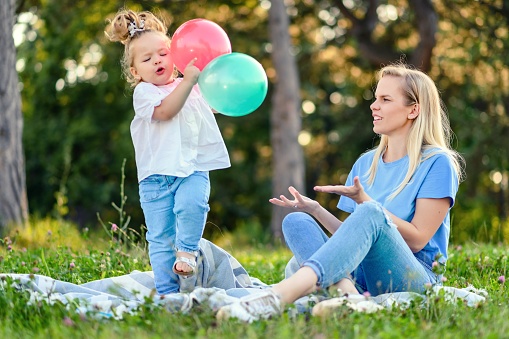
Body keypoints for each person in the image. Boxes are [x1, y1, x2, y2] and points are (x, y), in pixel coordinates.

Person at [216, 64, 464, 322]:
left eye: (385, 99)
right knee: (297, 221)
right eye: (376, 98)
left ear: (413, 109)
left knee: (370, 211)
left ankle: (278, 296)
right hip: (360, 277)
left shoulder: (438, 162)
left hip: (412, 277)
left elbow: (417, 240)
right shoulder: (367, 163)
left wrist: (367, 203)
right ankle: (348, 298)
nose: (373, 106)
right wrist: (315, 210)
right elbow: (352, 238)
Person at [105, 9, 230, 295]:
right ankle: (167, 292)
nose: (157, 61)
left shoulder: (191, 88)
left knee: (194, 205)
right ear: (135, 71)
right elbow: (165, 112)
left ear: (175, 54)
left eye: (163, 53)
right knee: (160, 238)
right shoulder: (145, 93)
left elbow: (213, 106)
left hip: (192, 169)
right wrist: (188, 82)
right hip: (156, 179)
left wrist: (218, 91)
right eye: (147, 59)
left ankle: (187, 252)